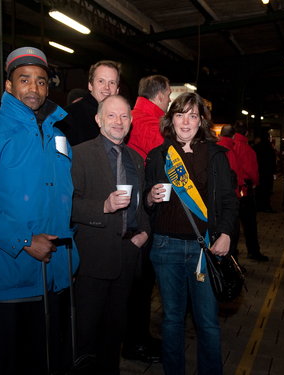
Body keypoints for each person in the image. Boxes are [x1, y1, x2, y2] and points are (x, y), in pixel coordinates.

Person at [0, 46, 79, 375]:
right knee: (4, 363)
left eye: (41, 82)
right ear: (9, 86)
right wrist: (25, 240)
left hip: (52, 274)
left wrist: (73, 255)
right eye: (24, 80)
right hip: (7, 275)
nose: (34, 88)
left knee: (45, 362)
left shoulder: (58, 135)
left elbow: (63, 197)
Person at [145, 92, 238, 375]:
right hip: (166, 247)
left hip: (204, 250)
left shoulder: (216, 155)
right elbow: (146, 204)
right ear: (170, 120)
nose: (186, 121)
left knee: (207, 320)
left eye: (193, 115)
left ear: (201, 122)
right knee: (172, 319)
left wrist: (226, 234)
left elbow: (228, 200)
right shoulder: (158, 156)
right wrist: (150, 196)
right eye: (180, 114)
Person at [71, 94, 150, 374]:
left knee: (114, 333)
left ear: (131, 121)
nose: (118, 122)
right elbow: (66, 205)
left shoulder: (135, 160)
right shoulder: (79, 154)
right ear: (98, 119)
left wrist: (144, 233)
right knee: (85, 335)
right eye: (112, 116)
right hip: (92, 259)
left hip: (127, 257)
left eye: (124, 116)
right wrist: (102, 206)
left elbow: (142, 205)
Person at [122, 74, 171, 363]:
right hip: (142, 211)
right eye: (167, 95)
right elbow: (169, 162)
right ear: (161, 93)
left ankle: (139, 337)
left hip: (135, 207)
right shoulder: (151, 123)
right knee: (140, 284)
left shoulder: (136, 116)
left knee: (140, 284)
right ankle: (135, 342)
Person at [57, 60, 121, 146]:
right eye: (101, 81)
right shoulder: (69, 116)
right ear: (90, 85)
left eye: (112, 82)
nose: (107, 87)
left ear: (117, 90)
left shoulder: (120, 121)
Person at [233, 121, 269, 262]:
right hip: (245, 190)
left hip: (231, 190)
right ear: (246, 133)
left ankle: (232, 254)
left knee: (233, 224)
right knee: (249, 223)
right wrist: (255, 183)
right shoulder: (248, 149)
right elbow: (252, 171)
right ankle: (253, 252)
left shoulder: (230, 146)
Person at [127, 74, 171, 160]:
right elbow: (170, 156)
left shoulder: (130, 115)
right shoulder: (152, 126)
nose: (169, 100)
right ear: (160, 96)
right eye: (168, 95)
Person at [217, 124, 243, 261]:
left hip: (216, 199)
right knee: (231, 234)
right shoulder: (229, 151)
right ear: (233, 136)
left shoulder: (215, 148)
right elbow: (234, 177)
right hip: (228, 198)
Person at [253, 129, 277, 213]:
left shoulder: (256, 147)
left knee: (259, 190)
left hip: (259, 172)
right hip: (268, 173)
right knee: (267, 190)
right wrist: (274, 171)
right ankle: (266, 206)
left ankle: (258, 206)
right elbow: (273, 160)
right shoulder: (269, 147)